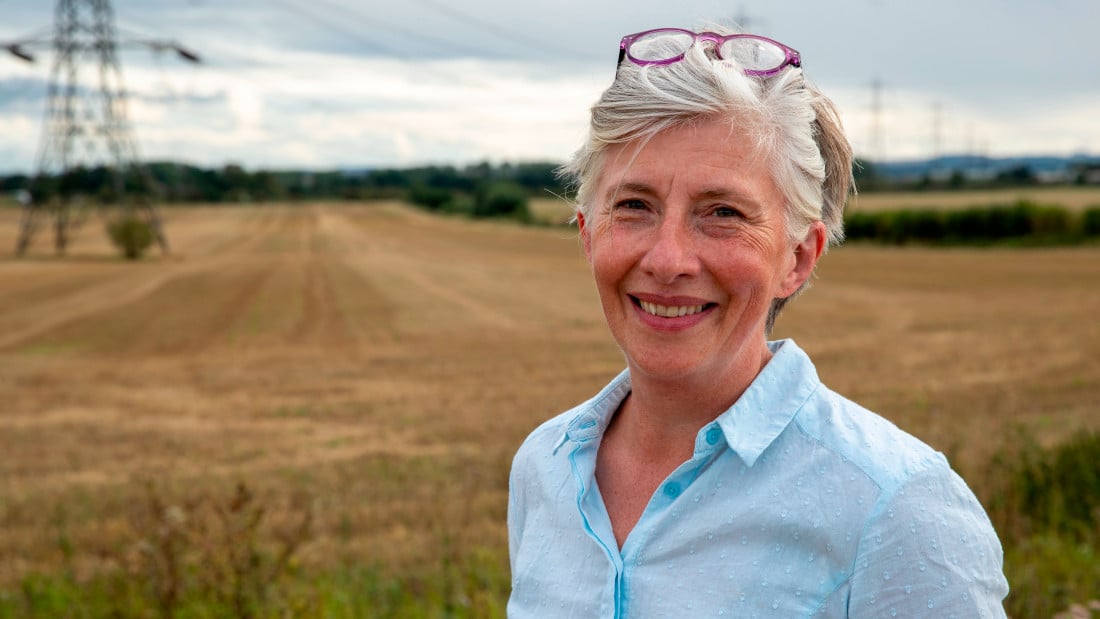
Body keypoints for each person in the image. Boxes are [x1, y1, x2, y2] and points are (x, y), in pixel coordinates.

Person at [507, 24, 1009, 617]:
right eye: (634, 206)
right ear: (589, 236)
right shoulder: (545, 467)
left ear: (798, 259)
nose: (668, 260)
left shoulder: (897, 507)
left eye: (723, 212)